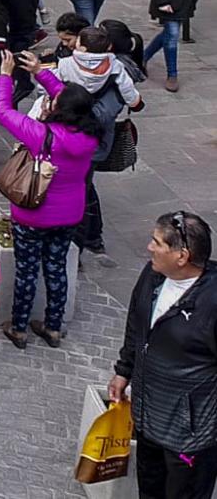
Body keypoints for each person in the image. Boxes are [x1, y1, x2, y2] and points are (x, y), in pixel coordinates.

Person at [109, 212, 217, 499]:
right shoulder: (153, 275)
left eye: (157, 242)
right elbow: (136, 324)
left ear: (182, 256)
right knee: (150, 491)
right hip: (147, 421)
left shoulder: (213, 301)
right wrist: (124, 370)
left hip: (189, 439)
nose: (149, 248)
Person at [0, 53, 98, 349]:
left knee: (26, 271)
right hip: (69, 214)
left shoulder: (43, 135)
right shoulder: (90, 134)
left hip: (33, 214)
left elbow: (3, 111)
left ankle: (18, 328)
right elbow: (70, 102)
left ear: (59, 110)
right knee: (56, 268)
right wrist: (41, 73)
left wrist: (5, 75)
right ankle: (53, 328)